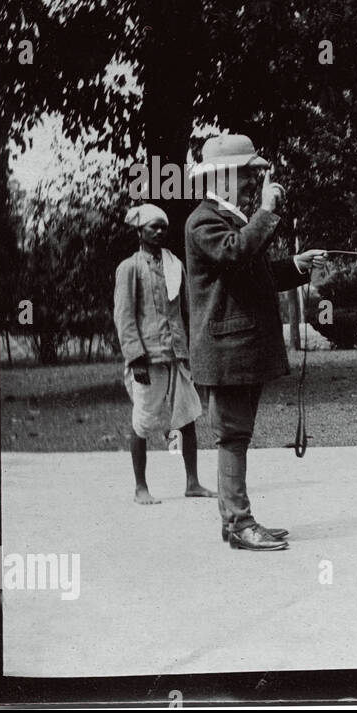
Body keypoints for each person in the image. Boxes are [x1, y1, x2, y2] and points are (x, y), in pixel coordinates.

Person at [185, 134, 327, 551]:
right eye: (249, 175)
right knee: (231, 435)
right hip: (226, 350)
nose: (255, 183)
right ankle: (240, 523)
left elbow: (251, 269)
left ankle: (235, 522)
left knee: (236, 434)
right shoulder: (204, 221)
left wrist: (297, 267)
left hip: (238, 348)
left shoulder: (229, 221)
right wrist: (266, 211)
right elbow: (236, 254)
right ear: (224, 176)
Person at [113, 203, 216, 505]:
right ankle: (140, 488)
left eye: (163, 227)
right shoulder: (130, 268)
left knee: (186, 418)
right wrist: (135, 359)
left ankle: (193, 483)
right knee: (143, 421)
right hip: (148, 359)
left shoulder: (175, 265)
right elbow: (124, 316)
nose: (159, 232)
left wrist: (192, 351)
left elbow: (186, 312)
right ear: (139, 231)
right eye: (152, 227)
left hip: (177, 355)